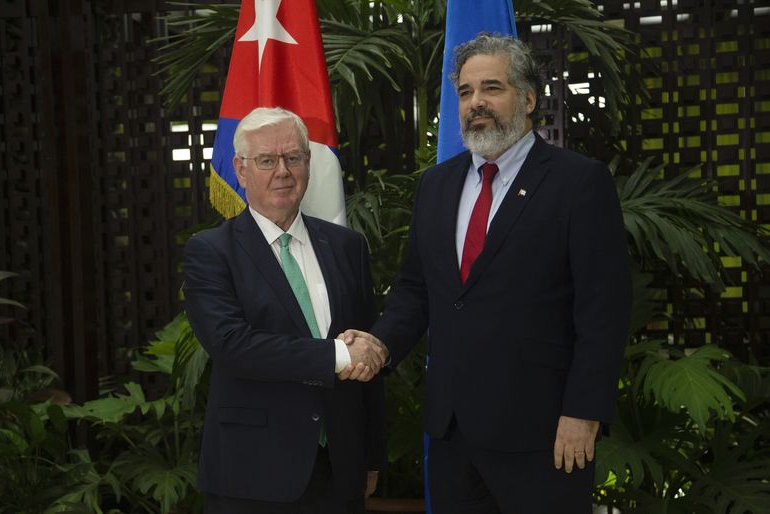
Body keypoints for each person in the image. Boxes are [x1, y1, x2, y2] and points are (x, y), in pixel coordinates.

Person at [340, 33, 631, 513]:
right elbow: (416, 291)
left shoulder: (578, 183)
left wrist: (584, 411)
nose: (477, 103)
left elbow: (603, 310)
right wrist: (380, 343)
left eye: (491, 88)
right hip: (453, 432)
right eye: (465, 92)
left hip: (544, 433)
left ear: (529, 98)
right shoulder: (436, 186)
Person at [183, 107, 388, 514]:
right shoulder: (210, 252)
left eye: (293, 158)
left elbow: (367, 352)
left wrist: (370, 456)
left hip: (340, 471)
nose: (283, 171)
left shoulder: (346, 246)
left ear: (308, 165)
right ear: (241, 171)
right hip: (254, 475)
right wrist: (338, 355)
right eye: (267, 161)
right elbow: (233, 345)